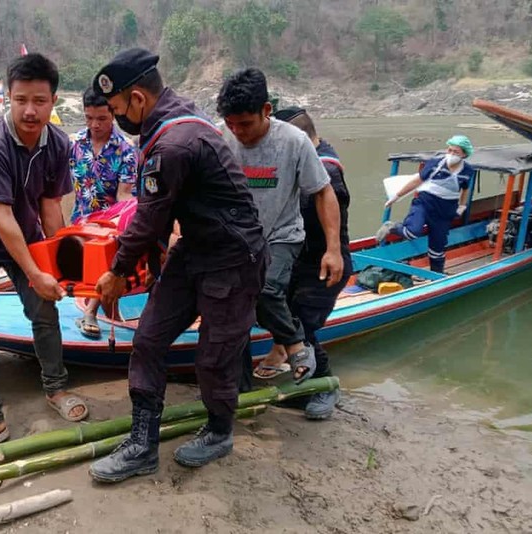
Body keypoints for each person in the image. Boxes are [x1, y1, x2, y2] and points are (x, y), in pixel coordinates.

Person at [87, 48, 268, 483]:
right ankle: (142, 444)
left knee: (214, 356)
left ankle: (221, 431)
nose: (116, 119)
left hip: (232, 257)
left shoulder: (173, 142)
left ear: (137, 99)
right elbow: (160, 214)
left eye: (115, 110)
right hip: (195, 248)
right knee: (148, 339)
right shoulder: (172, 120)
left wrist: (115, 273)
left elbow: (149, 218)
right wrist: (148, 265)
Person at [0, 53, 89, 453]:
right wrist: (34, 272)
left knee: (45, 312)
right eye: (21, 100)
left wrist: (62, 266)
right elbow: (1, 219)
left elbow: (50, 206)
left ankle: (56, 389)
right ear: (8, 98)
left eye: (40, 101)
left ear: (53, 101)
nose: (30, 110)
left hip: (25, 237)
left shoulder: (58, 143)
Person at [216, 68, 344, 385]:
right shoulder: (222, 137)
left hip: (282, 236)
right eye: (231, 124)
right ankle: (240, 388)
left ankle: (295, 344)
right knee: (234, 313)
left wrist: (333, 249)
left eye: (245, 124)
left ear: (267, 110)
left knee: (266, 288)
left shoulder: (294, 141)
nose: (238, 132)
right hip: (237, 239)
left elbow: (323, 192)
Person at [272, 107, 352, 419]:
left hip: (321, 264)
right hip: (298, 261)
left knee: (302, 326)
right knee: (286, 320)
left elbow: (313, 213)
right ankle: (305, 386)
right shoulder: (312, 157)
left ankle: (325, 387)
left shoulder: (326, 170)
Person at [70, 87, 138, 339]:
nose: (95, 125)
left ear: (113, 114)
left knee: (105, 267)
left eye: (102, 119)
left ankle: (90, 312)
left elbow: (124, 194)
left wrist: (124, 221)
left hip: (111, 222)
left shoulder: (125, 149)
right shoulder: (75, 144)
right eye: (89, 118)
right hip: (81, 219)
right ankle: (113, 318)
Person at [375, 135, 474, 273]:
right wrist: (396, 197)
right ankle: (391, 227)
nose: (451, 154)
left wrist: (462, 206)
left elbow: (465, 189)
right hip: (425, 203)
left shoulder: (468, 171)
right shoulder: (436, 163)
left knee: (438, 248)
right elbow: (417, 181)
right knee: (412, 232)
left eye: (456, 152)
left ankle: (436, 276)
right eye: (449, 150)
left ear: (464, 154)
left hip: (445, 211)